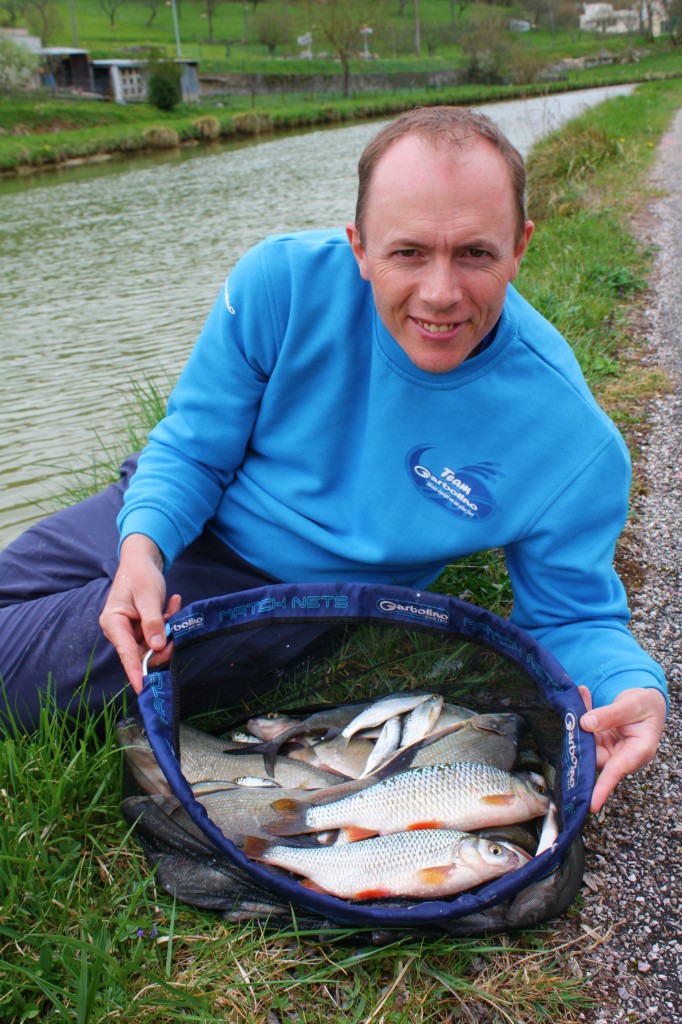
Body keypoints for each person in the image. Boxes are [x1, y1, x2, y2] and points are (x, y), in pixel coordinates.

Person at [0, 106, 666, 814]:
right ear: (359, 246)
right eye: (408, 252)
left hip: (272, 590)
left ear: (520, 246)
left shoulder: (571, 441)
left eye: (475, 253)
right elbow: (193, 447)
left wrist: (632, 686)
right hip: (162, 510)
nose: (440, 293)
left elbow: (573, 616)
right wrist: (142, 547)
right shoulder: (278, 283)